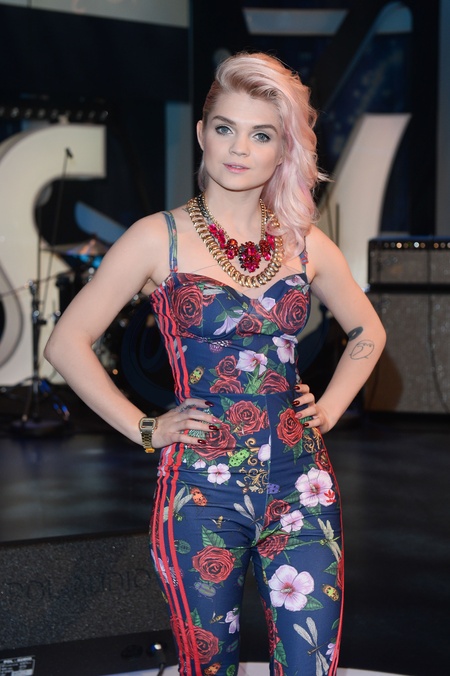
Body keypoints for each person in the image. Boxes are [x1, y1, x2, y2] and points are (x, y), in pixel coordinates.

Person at [45, 51, 386, 675]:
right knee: (209, 667)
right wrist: (145, 427)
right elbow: (67, 342)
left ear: (283, 150)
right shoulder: (159, 238)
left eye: (262, 135)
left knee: (311, 663)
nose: (239, 148)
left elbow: (369, 329)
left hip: (302, 485)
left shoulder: (304, 242)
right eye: (226, 128)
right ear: (203, 133)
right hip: (200, 492)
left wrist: (333, 406)